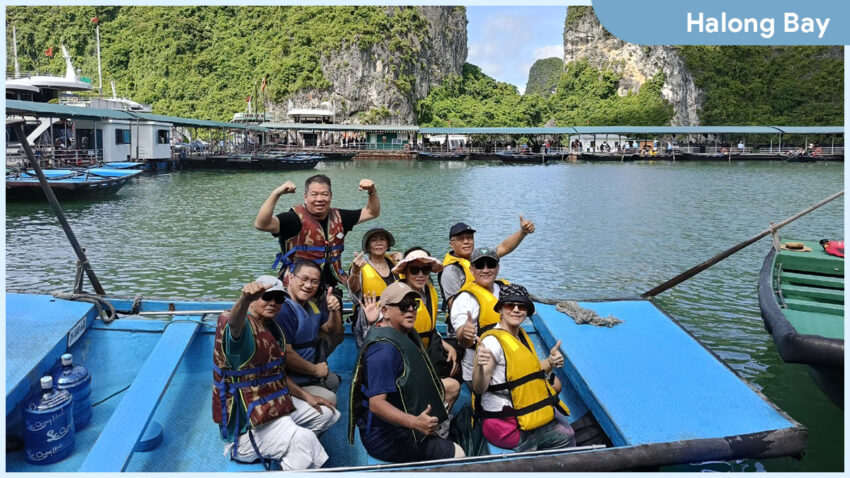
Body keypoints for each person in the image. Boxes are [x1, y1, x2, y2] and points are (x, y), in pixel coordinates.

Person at [212, 275, 340, 470]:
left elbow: (277, 375)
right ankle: (290, 451)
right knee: (303, 439)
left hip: (273, 408)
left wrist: (308, 397)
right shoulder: (242, 331)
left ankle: (286, 450)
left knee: (326, 414)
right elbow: (234, 326)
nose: (273, 303)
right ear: (254, 300)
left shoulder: (271, 328)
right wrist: (243, 300)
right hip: (247, 430)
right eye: (266, 297)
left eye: (279, 299)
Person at [348, 282, 464, 463]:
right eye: (403, 306)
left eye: (414, 305)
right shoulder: (383, 351)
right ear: (385, 311)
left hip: (402, 412)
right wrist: (415, 423)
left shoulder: (401, 332)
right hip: (386, 436)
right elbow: (376, 405)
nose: (410, 310)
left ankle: (436, 437)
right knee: (459, 453)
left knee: (452, 386)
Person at [471, 283, 576, 451]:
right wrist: (479, 366)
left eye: (521, 306)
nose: (516, 309)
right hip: (504, 424)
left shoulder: (520, 336)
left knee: (556, 406)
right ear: (500, 310)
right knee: (566, 435)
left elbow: (528, 373)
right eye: (510, 305)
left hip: (519, 411)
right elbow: (478, 387)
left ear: (527, 311)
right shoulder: (492, 343)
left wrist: (551, 362)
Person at [254, 174, 380, 294]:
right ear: (305, 197)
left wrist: (372, 191)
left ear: (330, 197)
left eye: (324, 194)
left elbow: (372, 212)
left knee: (334, 305)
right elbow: (262, 224)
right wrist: (277, 193)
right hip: (297, 288)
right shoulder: (293, 219)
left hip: (329, 288)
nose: (319, 199)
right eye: (314, 194)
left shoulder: (340, 217)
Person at [392, 247, 460, 410]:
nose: (421, 275)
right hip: (406, 361)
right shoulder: (398, 296)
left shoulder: (428, 291)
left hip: (427, 352)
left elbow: (429, 328)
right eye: (415, 270)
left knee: (457, 361)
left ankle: (436, 421)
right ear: (406, 272)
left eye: (425, 270)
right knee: (453, 386)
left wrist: (447, 345)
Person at [273, 261, 344, 406]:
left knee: (333, 381)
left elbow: (334, 332)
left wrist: (334, 310)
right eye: (303, 279)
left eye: (314, 282)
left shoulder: (311, 305)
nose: (308, 285)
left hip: (304, 374)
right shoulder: (284, 309)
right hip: (286, 378)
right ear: (291, 278)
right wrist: (315, 370)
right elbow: (287, 354)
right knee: (330, 399)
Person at [439, 218, 534, 307]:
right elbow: (456, 306)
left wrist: (523, 232)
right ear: (451, 244)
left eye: (469, 238)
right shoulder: (450, 271)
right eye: (460, 239)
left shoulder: (480, 256)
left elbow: (503, 247)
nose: (466, 241)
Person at [447, 247, 508, 384]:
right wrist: (465, 333)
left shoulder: (505, 290)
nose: (485, 270)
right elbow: (464, 341)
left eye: (491, 265)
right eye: (480, 266)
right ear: (471, 270)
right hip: (480, 370)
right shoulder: (464, 299)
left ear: (497, 268)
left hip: (508, 361)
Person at [346, 227, 402, 347]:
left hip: (395, 318)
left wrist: (405, 261)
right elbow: (353, 291)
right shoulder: (360, 264)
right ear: (367, 245)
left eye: (382, 239)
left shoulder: (395, 262)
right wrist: (355, 271)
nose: (378, 243)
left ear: (388, 244)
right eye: (373, 240)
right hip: (369, 319)